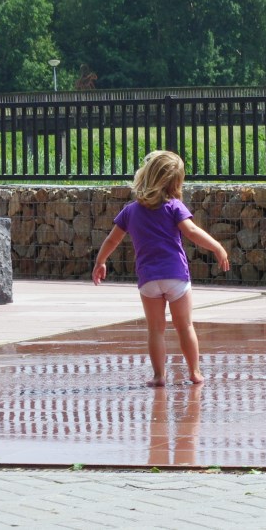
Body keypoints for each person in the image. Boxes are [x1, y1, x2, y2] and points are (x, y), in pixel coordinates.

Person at [92, 150, 230, 386]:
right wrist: (217, 247)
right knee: (185, 326)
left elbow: (112, 240)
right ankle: (195, 372)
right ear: (175, 182)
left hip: (149, 279)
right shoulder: (174, 207)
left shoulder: (131, 211)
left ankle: (159, 376)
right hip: (175, 276)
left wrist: (100, 261)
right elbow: (192, 232)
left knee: (155, 330)